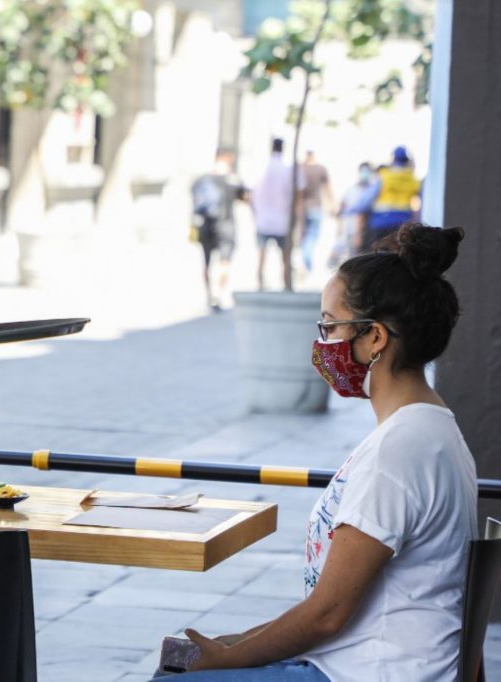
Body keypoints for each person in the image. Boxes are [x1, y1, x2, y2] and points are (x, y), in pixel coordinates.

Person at [151, 224, 476, 681]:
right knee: (180, 660)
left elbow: (328, 614)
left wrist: (231, 657)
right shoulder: (428, 429)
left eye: (329, 325)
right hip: (361, 661)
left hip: (372, 672)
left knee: (175, 675)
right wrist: (241, 641)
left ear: (375, 338)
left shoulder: (401, 450)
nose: (322, 343)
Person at [190, 150, 245, 310]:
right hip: (226, 224)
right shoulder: (232, 180)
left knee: (206, 262)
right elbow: (244, 198)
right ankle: (220, 294)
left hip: (205, 225)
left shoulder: (201, 180)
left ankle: (209, 294)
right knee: (224, 262)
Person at [250, 138, 305, 290]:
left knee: (261, 257)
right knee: (285, 257)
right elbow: (299, 196)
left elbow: (250, 195)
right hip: (283, 221)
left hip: (263, 220)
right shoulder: (289, 170)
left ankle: (260, 286)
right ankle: (287, 285)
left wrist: (254, 214)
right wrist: (299, 221)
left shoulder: (260, 167)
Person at [352, 146, 421, 252]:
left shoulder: (383, 176)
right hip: (402, 224)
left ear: (393, 159)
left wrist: (354, 211)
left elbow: (365, 202)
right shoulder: (413, 180)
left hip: (380, 222)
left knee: (378, 255)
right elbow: (419, 206)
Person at [327, 162, 374, 268]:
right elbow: (342, 208)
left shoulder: (373, 190)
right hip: (350, 229)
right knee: (354, 258)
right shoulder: (351, 190)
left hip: (366, 231)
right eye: (363, 171)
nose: (365, 174)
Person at [299, 150, 335, 273]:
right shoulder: (320, 169)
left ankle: (305, 262)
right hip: (315, 208)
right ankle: (307, 262)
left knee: (304, 236)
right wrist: (332, 205)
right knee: (312, 237)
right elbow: (328, 188)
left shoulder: (300, 168)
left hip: (302, 208)